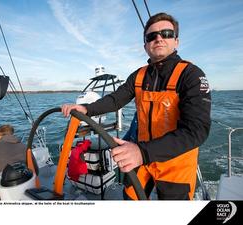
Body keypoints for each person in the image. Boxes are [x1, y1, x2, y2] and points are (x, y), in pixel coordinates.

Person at [62, 12, 211, 200]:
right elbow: (116, 99)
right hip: (141, 157)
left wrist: (142, 152)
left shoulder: (191, 75)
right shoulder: (138, 76)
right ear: (145, 45)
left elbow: (197, 130)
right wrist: (87, 109)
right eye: (152, 36)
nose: (158, 38)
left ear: (176, 41)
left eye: (166, 33)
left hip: (175, 162)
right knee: (130, 199)